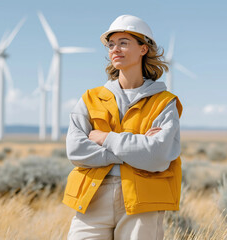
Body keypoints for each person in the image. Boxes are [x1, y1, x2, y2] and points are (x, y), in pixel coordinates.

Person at [63, 14, 183, 240]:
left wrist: (105, 138)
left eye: (124, 43)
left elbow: (158, 156)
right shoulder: (90, 98)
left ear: (143, 49)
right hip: (92, 198)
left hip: (143, 201)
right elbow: (76, 150)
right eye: (111, 45)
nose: (115, 49)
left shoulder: (165, 102)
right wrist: (136, 148)